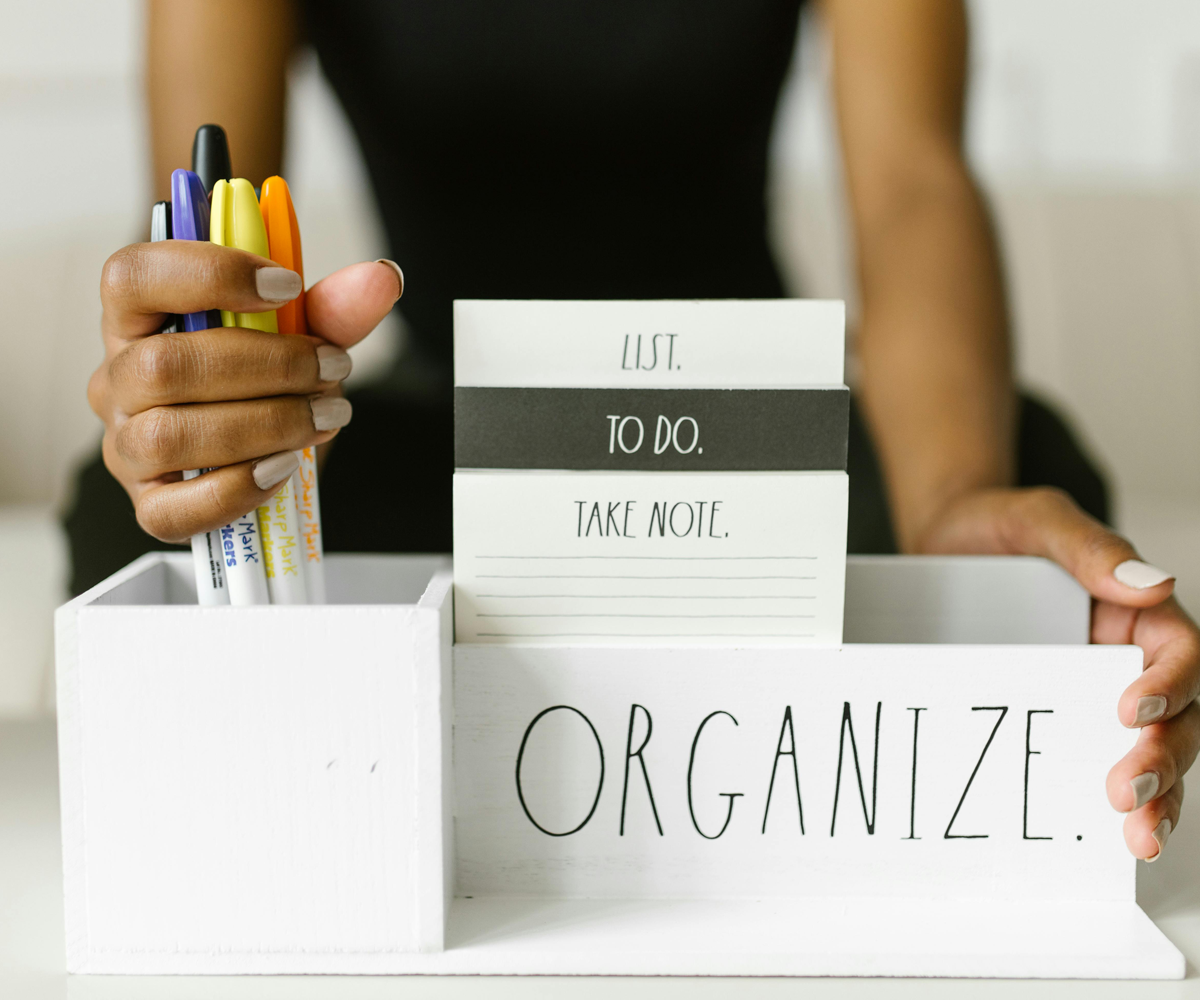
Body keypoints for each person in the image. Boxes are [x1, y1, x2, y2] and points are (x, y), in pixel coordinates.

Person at [69, 0, 1198, 862]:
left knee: (1028, 477)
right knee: (135, 533)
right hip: (449, 436)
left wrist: (948, 501)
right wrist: (191, 391)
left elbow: (911, 179)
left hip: (745, 433)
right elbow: (205, 208)